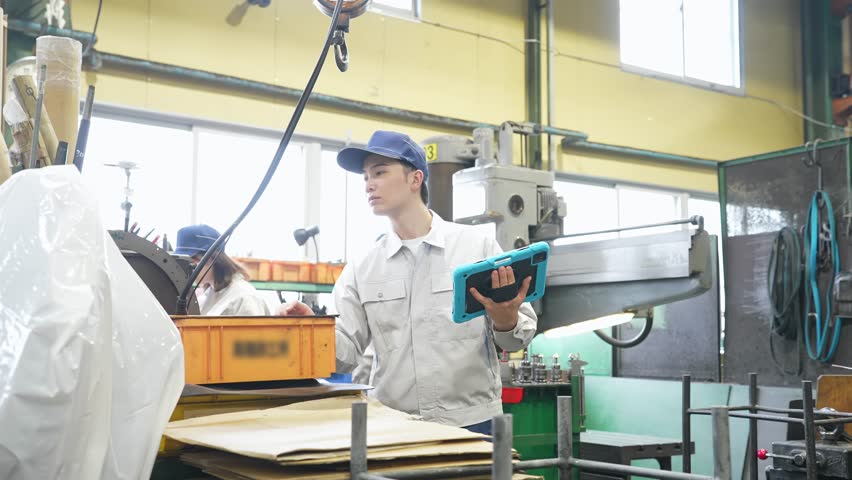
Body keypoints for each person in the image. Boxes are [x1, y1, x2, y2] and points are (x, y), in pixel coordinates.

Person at [280, 130, 537, 435]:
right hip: (393, 425)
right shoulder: (364, 265)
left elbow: (517, 337)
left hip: (471, 423)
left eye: (380, 172)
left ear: (415, 180)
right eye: (365, 177)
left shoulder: (475, 248)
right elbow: (345, 353)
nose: (369, 184)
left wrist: (506, 321)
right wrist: (311, 331)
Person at [175, 224, 271, 316]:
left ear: (211, 258)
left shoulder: (245, 298)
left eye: (191, 262)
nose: (186, 269)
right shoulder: (208, 296)